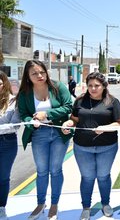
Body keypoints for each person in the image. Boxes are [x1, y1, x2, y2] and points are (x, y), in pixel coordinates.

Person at [61, 72, 120, 219]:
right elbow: (74, 119)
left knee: (103, 176)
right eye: (90, 85)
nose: (93, 88)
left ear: (104, 86)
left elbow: (119, 122)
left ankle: (105, 204)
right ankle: (86, 206)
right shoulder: (80, 100)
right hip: (82, 147)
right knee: (87, 177)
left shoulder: (112, 102)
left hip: (107, 147)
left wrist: (106, 127)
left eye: (97, 85)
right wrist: (68, 124)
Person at [16, 60, 73, 220]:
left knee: (55, 170)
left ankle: (54, 204)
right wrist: (32, 121)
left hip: (58, 133)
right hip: (39, 134)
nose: (40, 76)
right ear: (27, 76)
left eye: (42, 72)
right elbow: (24, 113)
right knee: (41, 171)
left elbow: (68, 106)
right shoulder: (25, 93)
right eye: (34, 73)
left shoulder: (58, 86)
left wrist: (46, 115)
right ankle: (41, 204)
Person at [0, 71, 20, 219]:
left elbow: (16, 125)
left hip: (7, 143)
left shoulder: (13, 101)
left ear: (4, 84)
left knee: (3, 177)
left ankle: (1, 207)